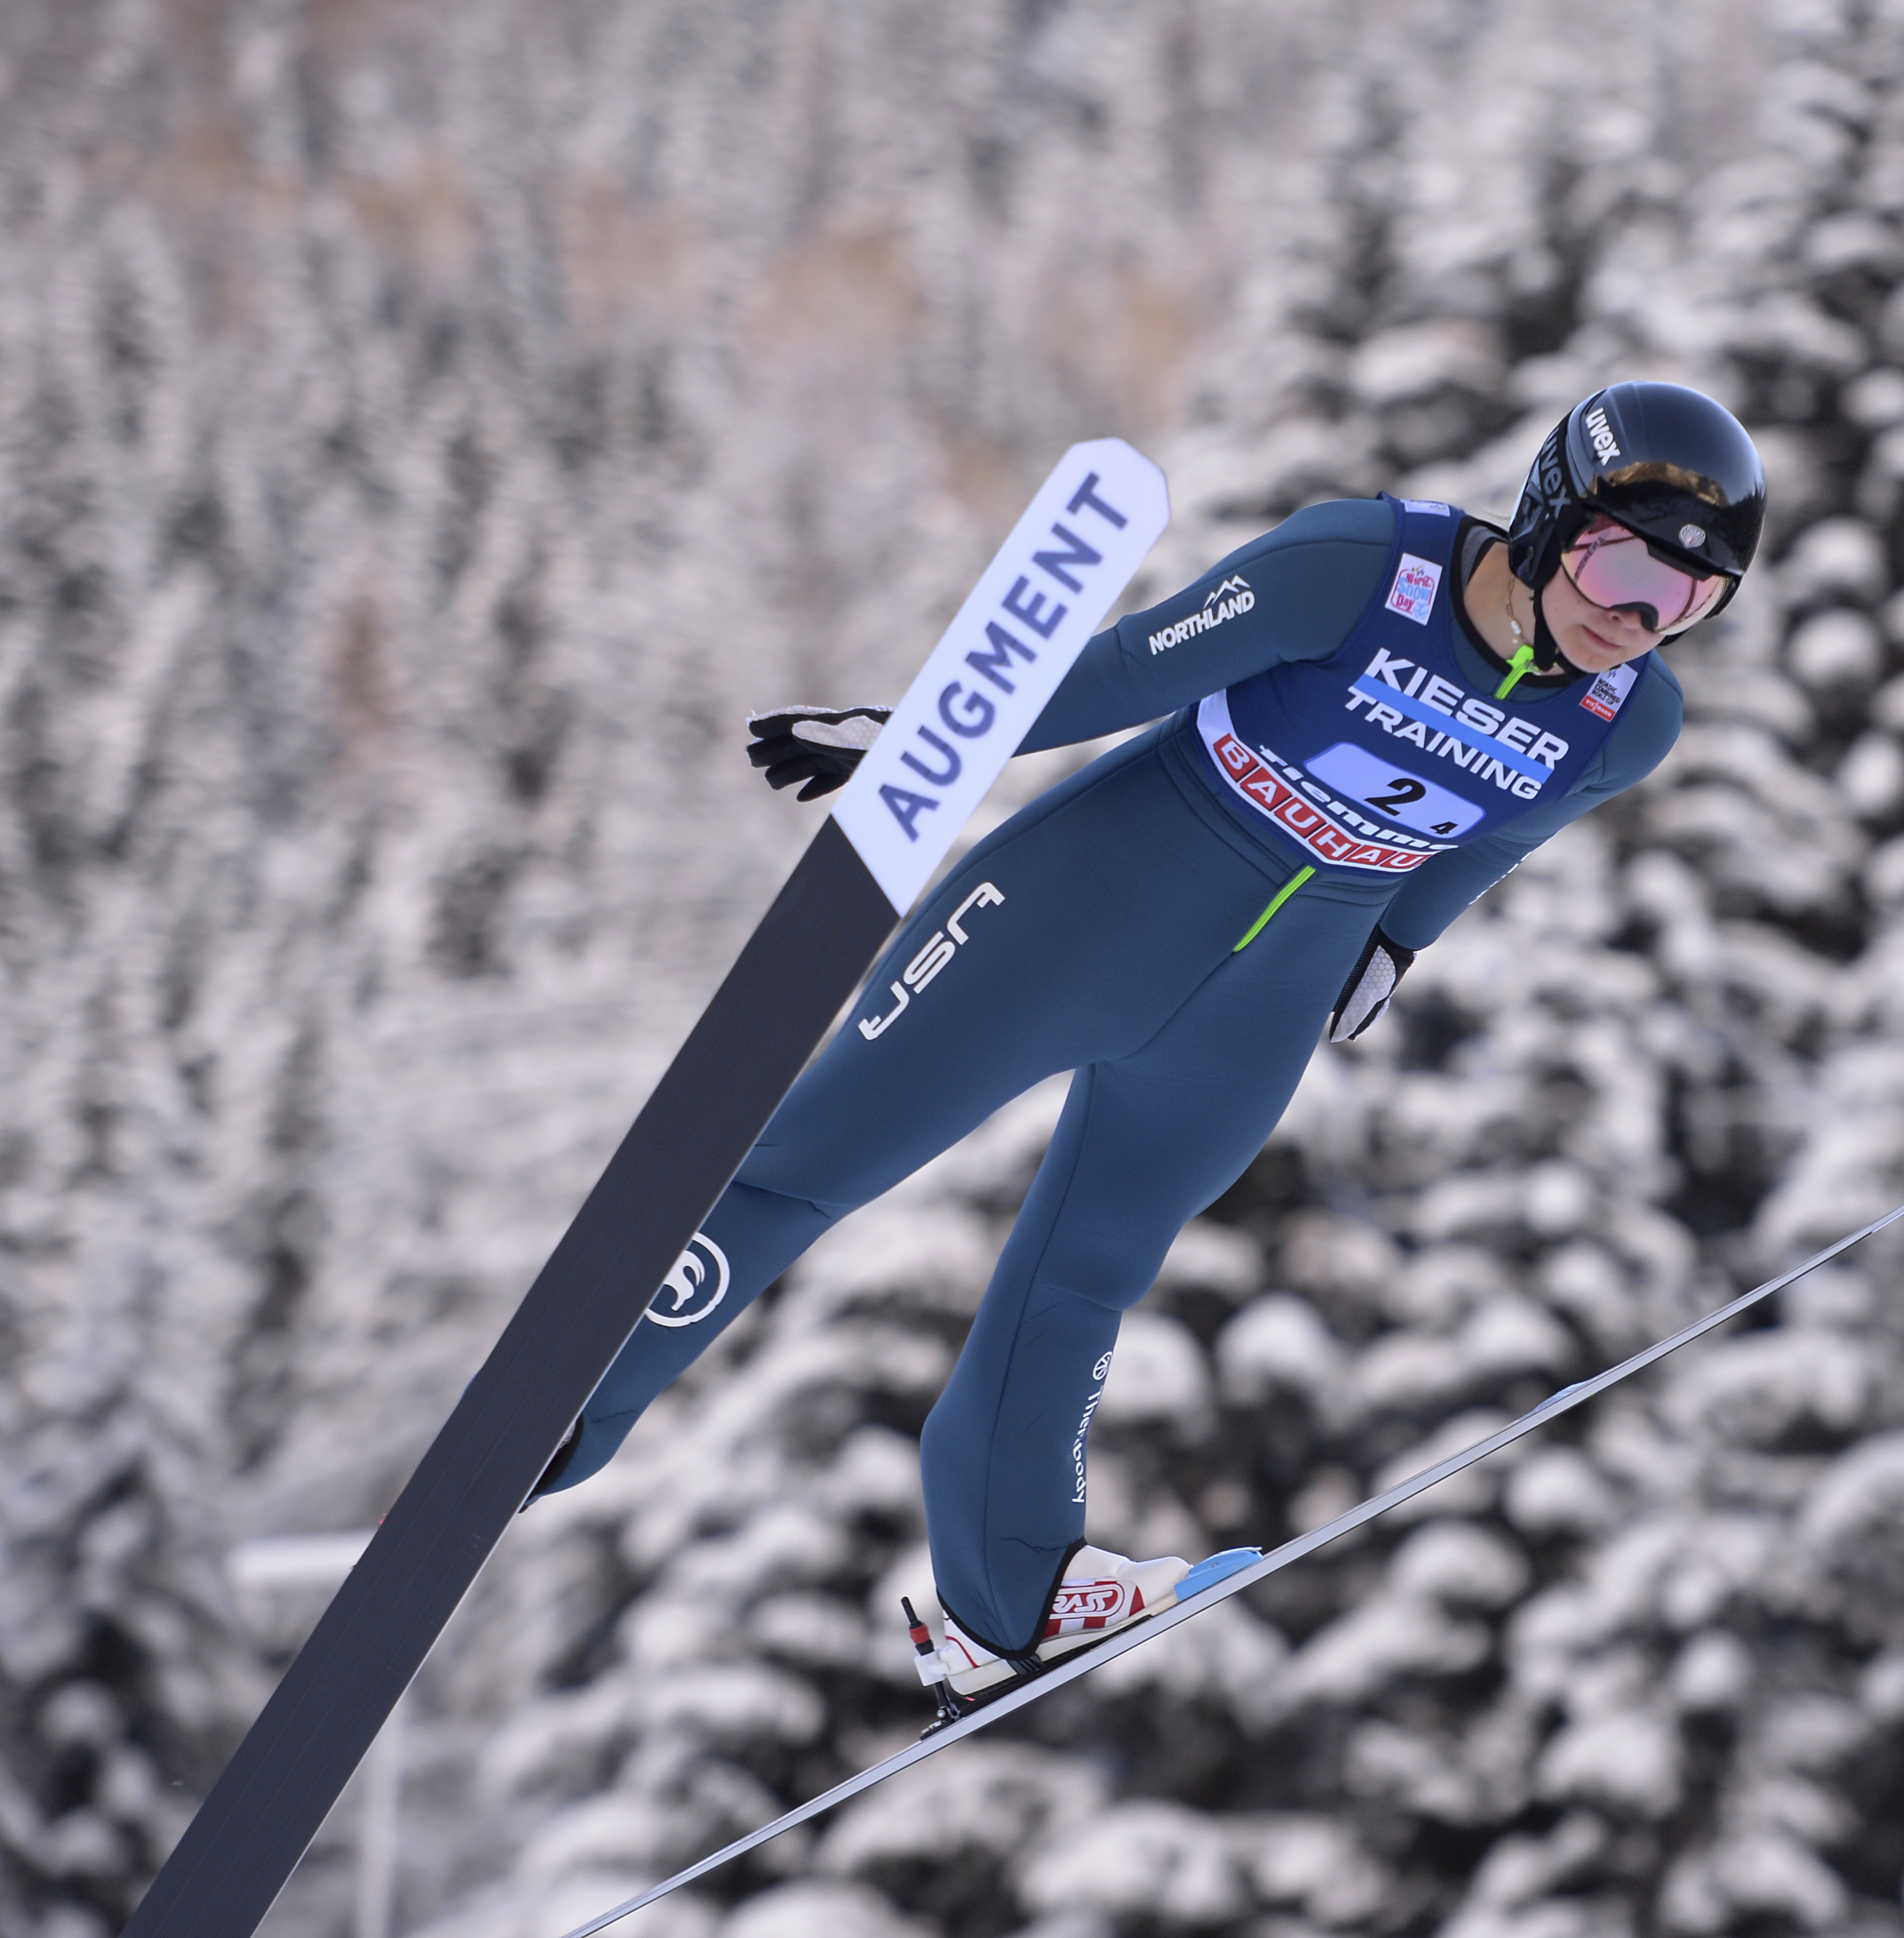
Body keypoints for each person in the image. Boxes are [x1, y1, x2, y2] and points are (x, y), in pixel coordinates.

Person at [529, 381, 1767, 1713]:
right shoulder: (1365, 569)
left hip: (1253, 1014)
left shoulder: (1624, 721)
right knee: (811, 1163)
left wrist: (1397, 943)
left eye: (1687, 600)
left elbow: (1502, 833)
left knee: (1081, 1284)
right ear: (1549, 514)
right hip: (1083, 911)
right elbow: (1125, 670)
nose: (1638, 615)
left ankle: (1006, 1598)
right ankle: (566, 1407)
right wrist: (921, 742)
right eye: (1624, 560)